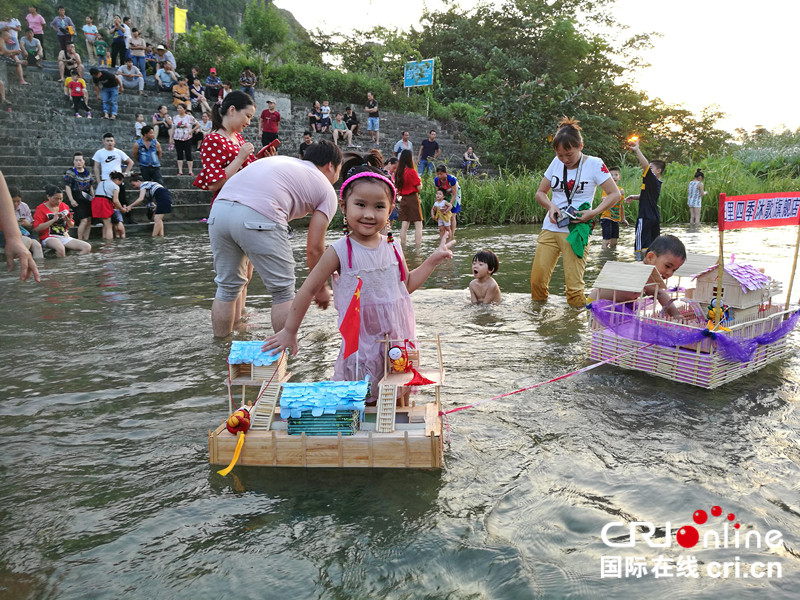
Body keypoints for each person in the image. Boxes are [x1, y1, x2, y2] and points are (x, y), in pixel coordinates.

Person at [261, 160, 455, 392]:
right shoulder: (340, 251)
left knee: (398, 387)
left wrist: (433, 259)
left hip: (396, 335)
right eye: (360, 205)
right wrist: (290, 330)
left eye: (379, 207)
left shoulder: (393, 247)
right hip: (361, 341)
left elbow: (406, 286)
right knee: (361, 391)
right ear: (344, 206)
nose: (369, 214)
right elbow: (308, 289)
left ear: (391, 207)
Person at [206, 140, 343, 337]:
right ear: (331, 165)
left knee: (226, 288)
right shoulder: (326, 189)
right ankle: (284, 358)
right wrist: (321, 287)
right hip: (258, 216)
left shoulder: (282, 162)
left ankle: (221, 352)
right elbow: (314, 248)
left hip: (219, 211)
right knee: (283, 293)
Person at [529, 117, 621, 307]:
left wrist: (593, 212)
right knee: (537, 283)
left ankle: (578, 331)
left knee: (573, 289)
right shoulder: (556, 163)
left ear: (580, 145)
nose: (565, 160)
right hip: (551, 228)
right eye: (560, 155)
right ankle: (539, 327)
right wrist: (551, 206)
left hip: (576, 231)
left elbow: (614, 195)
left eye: (568, 154)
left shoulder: (595, 164)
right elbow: (540, 193)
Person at [588, 234, 686, 318]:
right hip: (598, 303)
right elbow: (660, 294)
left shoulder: (650, 275)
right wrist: (676, 314)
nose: (670, 273)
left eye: (674, 270)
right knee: (600, 332)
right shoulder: (642, 271)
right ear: (650, 258)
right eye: (667, 266)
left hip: (617, 303)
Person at [624, 139, 665, 261]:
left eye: (652, 168)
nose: (648, 169)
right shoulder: (656, 183)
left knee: (639, 247)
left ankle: (638, 265)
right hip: (654, 217)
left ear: (658, 171)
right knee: (652, 247)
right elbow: (648, 196)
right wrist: (635, 197)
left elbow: (644, 165)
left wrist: (637, 150)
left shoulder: (651, 179)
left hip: (645, 217)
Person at [0, 173, 39, 280]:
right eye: (14, 201)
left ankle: (39, 267)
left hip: (20, 233)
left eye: (18, 201)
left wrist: (14, 236)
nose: (17, 203)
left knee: (36, 245)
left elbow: (32, 226)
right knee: (26, 241)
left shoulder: (23, 207)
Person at [34, 185, 91, 256]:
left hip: (64, 236)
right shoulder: (40, 208)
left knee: (87, 247)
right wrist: (52, 220)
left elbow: (71, 225)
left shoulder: (64, 206)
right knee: (60, 249)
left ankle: (74, 262)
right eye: (56, 199)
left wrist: (68, 220)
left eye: (61, 198)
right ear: (48, 197)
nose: (58, 201)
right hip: (48, 237)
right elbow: (37, 228)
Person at [92, 132, 134, 229]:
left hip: (118, 180)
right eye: (107, 141)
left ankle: (128, 218)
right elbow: (96, 168)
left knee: (122, 199)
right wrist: (99, 181)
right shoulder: (99, 153)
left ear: (114, 142)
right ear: (104, 142)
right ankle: (103, 220)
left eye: (111, 141)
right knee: (106, 201)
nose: (110, 143)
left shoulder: (118, 152)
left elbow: (130, 162)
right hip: (105, 181)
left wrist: (125, 173)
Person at [63, 152, 96, 240]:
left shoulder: (87, 173)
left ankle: (86, 239)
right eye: (76, 160)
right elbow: (67, 186)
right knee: (84, 220)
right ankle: (80, 239)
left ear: (83, 162)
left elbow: (91, 186)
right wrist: (71, 200)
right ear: (73, 162)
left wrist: (94, 198)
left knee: (89, 220)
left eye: (80, 160)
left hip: (87, 198)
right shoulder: (71, 172)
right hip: (77, 198)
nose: (78, 162)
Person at [395, 149, 423, 245]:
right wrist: (420, 181)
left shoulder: (399, 172)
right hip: (413, 199)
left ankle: (403, 246)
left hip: (403, 199)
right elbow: (419, 187)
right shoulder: (411, 172)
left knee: (404, 225)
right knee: (418, 224)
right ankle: (418, 247)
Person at [90, 172, 125, 240]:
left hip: (96, 202)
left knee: (105, 224)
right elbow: (115, 200)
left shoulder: (101, 183)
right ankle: (109, 244)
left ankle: (104, 241)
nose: (120, 183)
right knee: (109, 226)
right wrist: (122, 209)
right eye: (121, 181)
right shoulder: (115, 186)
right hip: (104, 202)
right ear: (117, 179)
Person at [599, 166, 627, 249]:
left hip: (616, 219)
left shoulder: (621, 189)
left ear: (619, 177)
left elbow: (621, 205)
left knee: (614, 242)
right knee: (606, 240)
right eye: (611, 175)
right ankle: (604, 257)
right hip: (606, 218)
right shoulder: (606, 189)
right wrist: (617, 193)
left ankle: (611, 258)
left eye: (616, 175)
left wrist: (623, 219)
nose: (614, 177)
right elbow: (605, 201)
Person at [434, 165, 461, 240]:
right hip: (445, 194)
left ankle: (452, 235)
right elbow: (438, 193)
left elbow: (455, 194)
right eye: (438, 174)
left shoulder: (451, 179)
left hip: (454, 195)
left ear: (446, 173)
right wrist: (437, 205)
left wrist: (449, 205)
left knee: (452, 215)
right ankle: (446, 234)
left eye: (441, 174)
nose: (439, 176)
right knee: (443, 213)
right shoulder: (437, 180)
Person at [170, 103, 198, 176]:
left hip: (187, 137)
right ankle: (180, 171)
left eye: (180, 108)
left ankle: (190, 171)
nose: (178, 109)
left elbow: (198, 124)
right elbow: (173, 128)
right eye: (178, 108)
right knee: (179, 154)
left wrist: (191, 131)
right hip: (177, 137)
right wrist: (171, 137)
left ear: (184, 109)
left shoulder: (189, 117)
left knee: (188, 153)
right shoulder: (175, 118)